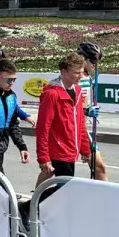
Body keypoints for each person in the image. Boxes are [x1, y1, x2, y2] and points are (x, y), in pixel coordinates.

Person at [34, 53, 91, 186]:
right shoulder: (52, 94)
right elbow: (43, 127)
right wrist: (43, 157)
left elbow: (80, 123)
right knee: (66, 189)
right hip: (58, 151)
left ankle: (33, 204)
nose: (81, 76)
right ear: (64, 72)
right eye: (76, 73)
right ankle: (30, 205)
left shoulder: (77, 90)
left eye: (82, 72)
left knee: (62, 188)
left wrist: (85, 148)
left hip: (71, 150)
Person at [74, 42, 107, 181]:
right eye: (92, 60)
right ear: (82, 58)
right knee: (53, 169)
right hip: (72, 127)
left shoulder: (87, 77)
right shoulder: (73, 78)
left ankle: (101, 199)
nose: (95, 64)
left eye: (97, 61)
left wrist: (88, 110)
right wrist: (87, 110)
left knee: (99, 168)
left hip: (83, 126)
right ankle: (37, 198)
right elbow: (68, 106)